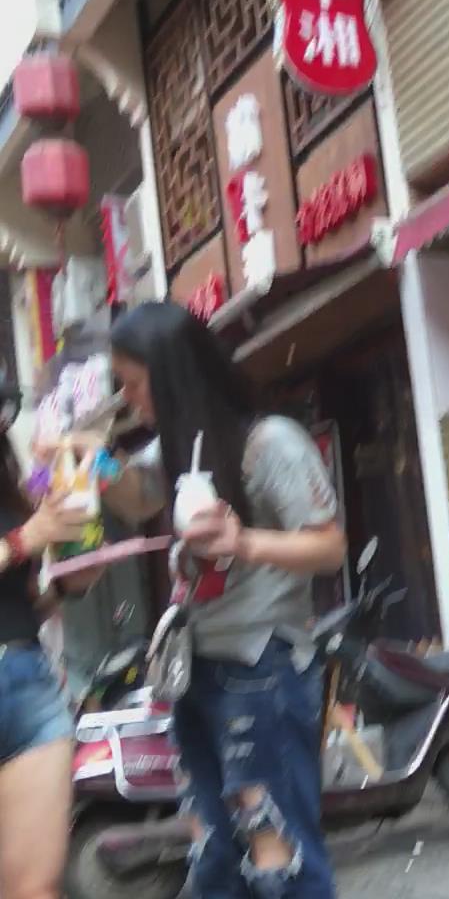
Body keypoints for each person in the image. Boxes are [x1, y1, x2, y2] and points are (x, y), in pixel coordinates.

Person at [110, 303, 345, 898]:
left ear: (171, 376)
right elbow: (135, 499)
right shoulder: (177, 448)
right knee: (213, 853)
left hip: (262, 667)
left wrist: (244, 542)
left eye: (134, 384)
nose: (128, 399)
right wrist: (91, 459)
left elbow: (329, 547)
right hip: (198, 673)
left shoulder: (269, 444)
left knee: (277, 853)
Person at [0, 375, 98, 899]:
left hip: (26, 682)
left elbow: (24, 601)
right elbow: (21, 543)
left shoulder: (10, 483)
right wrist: (26, 539)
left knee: (35, 889)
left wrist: (68, 582)